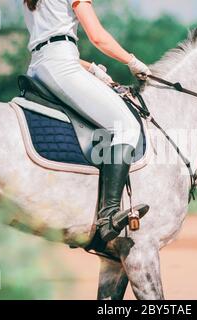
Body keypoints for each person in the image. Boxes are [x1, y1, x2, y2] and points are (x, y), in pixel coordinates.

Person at [23, 0, 150, 241]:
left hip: (41, 66)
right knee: (126, 126)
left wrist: (91, 69)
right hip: (60, 65)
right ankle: (108, 215)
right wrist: (132, 62)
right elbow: (98, 37)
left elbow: (49, 43)